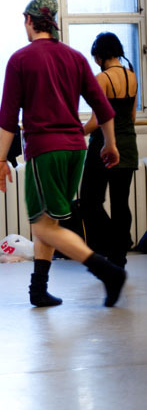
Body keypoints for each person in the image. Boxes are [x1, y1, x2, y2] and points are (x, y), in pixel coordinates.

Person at [0, 0, 126, 308]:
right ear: (53, 23)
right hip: (76, 150)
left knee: (41, 225)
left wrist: (1, 160)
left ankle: (107, 271)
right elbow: (103, 108)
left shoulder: (21, 59)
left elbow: (8, 118)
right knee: (48, 223)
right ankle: (38, 289)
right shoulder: (76, 57)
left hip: (45, 149)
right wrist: (110, 143)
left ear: (28, 20)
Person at [79, 32, 138, 268]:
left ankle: (113, 242)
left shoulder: (101, 79)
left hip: (102, 146)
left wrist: (78, 132)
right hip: (128, 145)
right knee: (120, 203)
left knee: (88, 201)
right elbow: (131, 117)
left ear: (100, 55)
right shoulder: (132, 76)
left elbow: (97, 120)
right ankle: (119, 254)